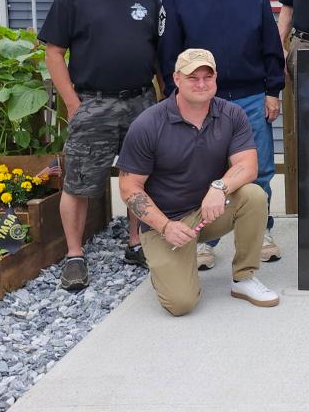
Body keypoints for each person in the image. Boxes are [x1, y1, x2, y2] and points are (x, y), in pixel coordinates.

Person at [158, 0, 285, 270]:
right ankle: (204, 240)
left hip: (249, 98)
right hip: (199, 100)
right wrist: (177, 98)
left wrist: (272, 91)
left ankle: (262, 234)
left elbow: (270, 45)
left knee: (258, 172)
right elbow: (168, 53)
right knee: (202, 172)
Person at [39, 0, 160, 291]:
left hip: (141, 100)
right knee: (77, 183)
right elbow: (54, 52)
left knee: (141, 176)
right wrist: (73, 103)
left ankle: (137, 243)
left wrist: (166, 98)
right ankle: (75, 256)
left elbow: (158, 53)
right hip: (93, 103)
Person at [117, 49, 277, 315]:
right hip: (166, 223)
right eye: (193, 77)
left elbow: (248, 166)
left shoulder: (232, 114)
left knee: (254, 195)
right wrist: (165, 226)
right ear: (176, 79)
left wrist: (219, 187)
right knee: (181, 304)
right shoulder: (148, 123)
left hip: (209, 213)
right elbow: (128, 187)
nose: (201, 84)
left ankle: (244, 278)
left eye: (207, 76)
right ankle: (168, 268)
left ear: (216, 79)